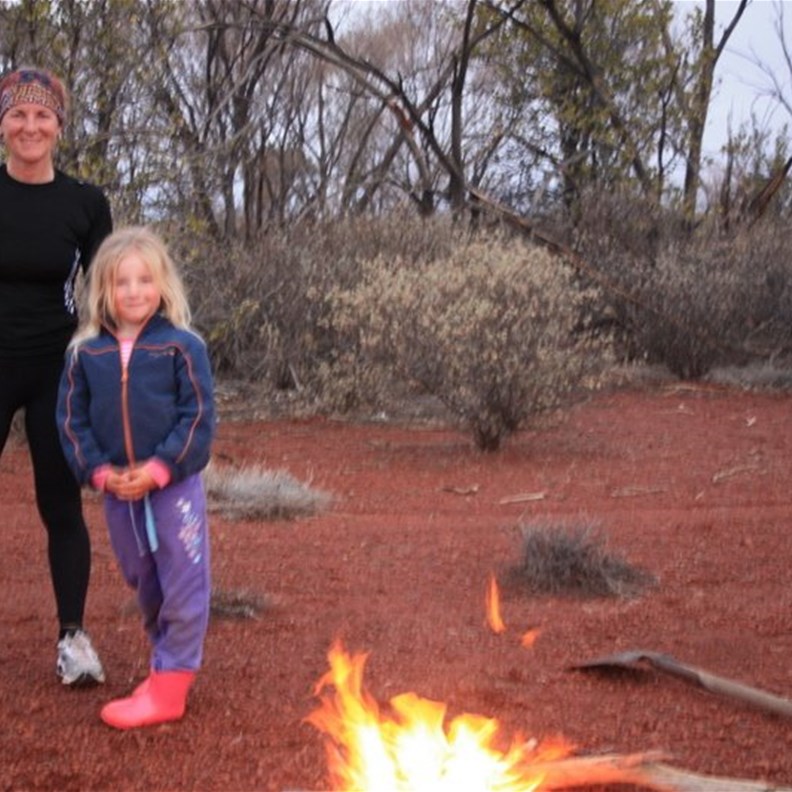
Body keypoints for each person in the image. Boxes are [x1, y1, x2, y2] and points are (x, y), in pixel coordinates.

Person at [57, 225, 216, 730]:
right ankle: (163, 664)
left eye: (144, 280)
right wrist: (99, 472)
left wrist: (159, 468)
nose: (133, 291)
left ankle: (171, 685)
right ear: (103, 289)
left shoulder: (182, 346)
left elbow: (197, 417)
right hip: (118, 490)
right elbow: (70, 422)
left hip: (173, 489)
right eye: (121, 282)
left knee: (183, 582)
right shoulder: (86, 353)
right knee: (143, 580)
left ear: (162, 284)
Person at [0, 66, 112, 686]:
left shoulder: (85, 204)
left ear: (60, 127)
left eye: (43, 115)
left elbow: (105, 294)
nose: (30, 126)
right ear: (2, 124)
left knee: (60, 505)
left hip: (54, 367)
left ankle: (73, 638)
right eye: (18, 114)